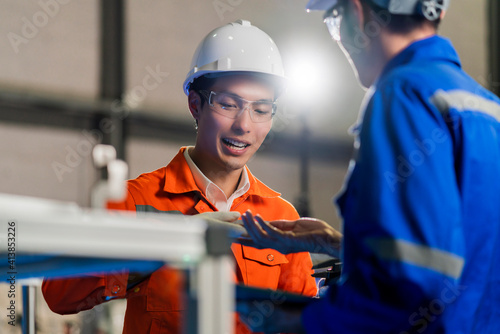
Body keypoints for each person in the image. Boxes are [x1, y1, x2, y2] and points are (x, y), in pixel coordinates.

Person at [237, 0, 500, 333]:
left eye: (333, 20)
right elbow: (464, 261)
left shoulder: (402, 92)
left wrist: (297, 324)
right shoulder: (487, 107)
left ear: (357, 13)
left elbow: (412, 285)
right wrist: (338, 243)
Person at [41, 20, 317, 334]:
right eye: (228, 104)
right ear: (194, 105)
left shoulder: (279, 216)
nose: (245, 125)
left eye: (262, 109)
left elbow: (305, 320)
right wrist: (167, 243)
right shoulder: (136, 201)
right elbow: (59, 293)